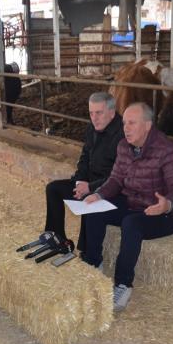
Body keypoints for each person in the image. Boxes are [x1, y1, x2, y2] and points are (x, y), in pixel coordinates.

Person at [83, 102, 173, 312]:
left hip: (164, 213)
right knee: (94, 209)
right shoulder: (124, 146)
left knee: (131, 224)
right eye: (124, 123)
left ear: (148, 126)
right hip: (133, 202)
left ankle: (123, 285)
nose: (126, 128)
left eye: (132, 123)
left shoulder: (168, 151)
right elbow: (115, 180)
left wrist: (167, 204)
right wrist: (99, 194)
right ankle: (93, 264)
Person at [44, 92, 123, 254]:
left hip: (109, 189)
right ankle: (57, 239)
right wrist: (80, 182)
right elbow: (85, 157)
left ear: (112, 112)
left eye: (99, 113)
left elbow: (119, 175)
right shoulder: (92, 128)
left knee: (89, 202)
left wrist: (91, 187)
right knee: (53, 189)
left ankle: (88, 253)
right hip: (88, 183)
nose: (94, 118)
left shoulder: (122, 135)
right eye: (91, 113)